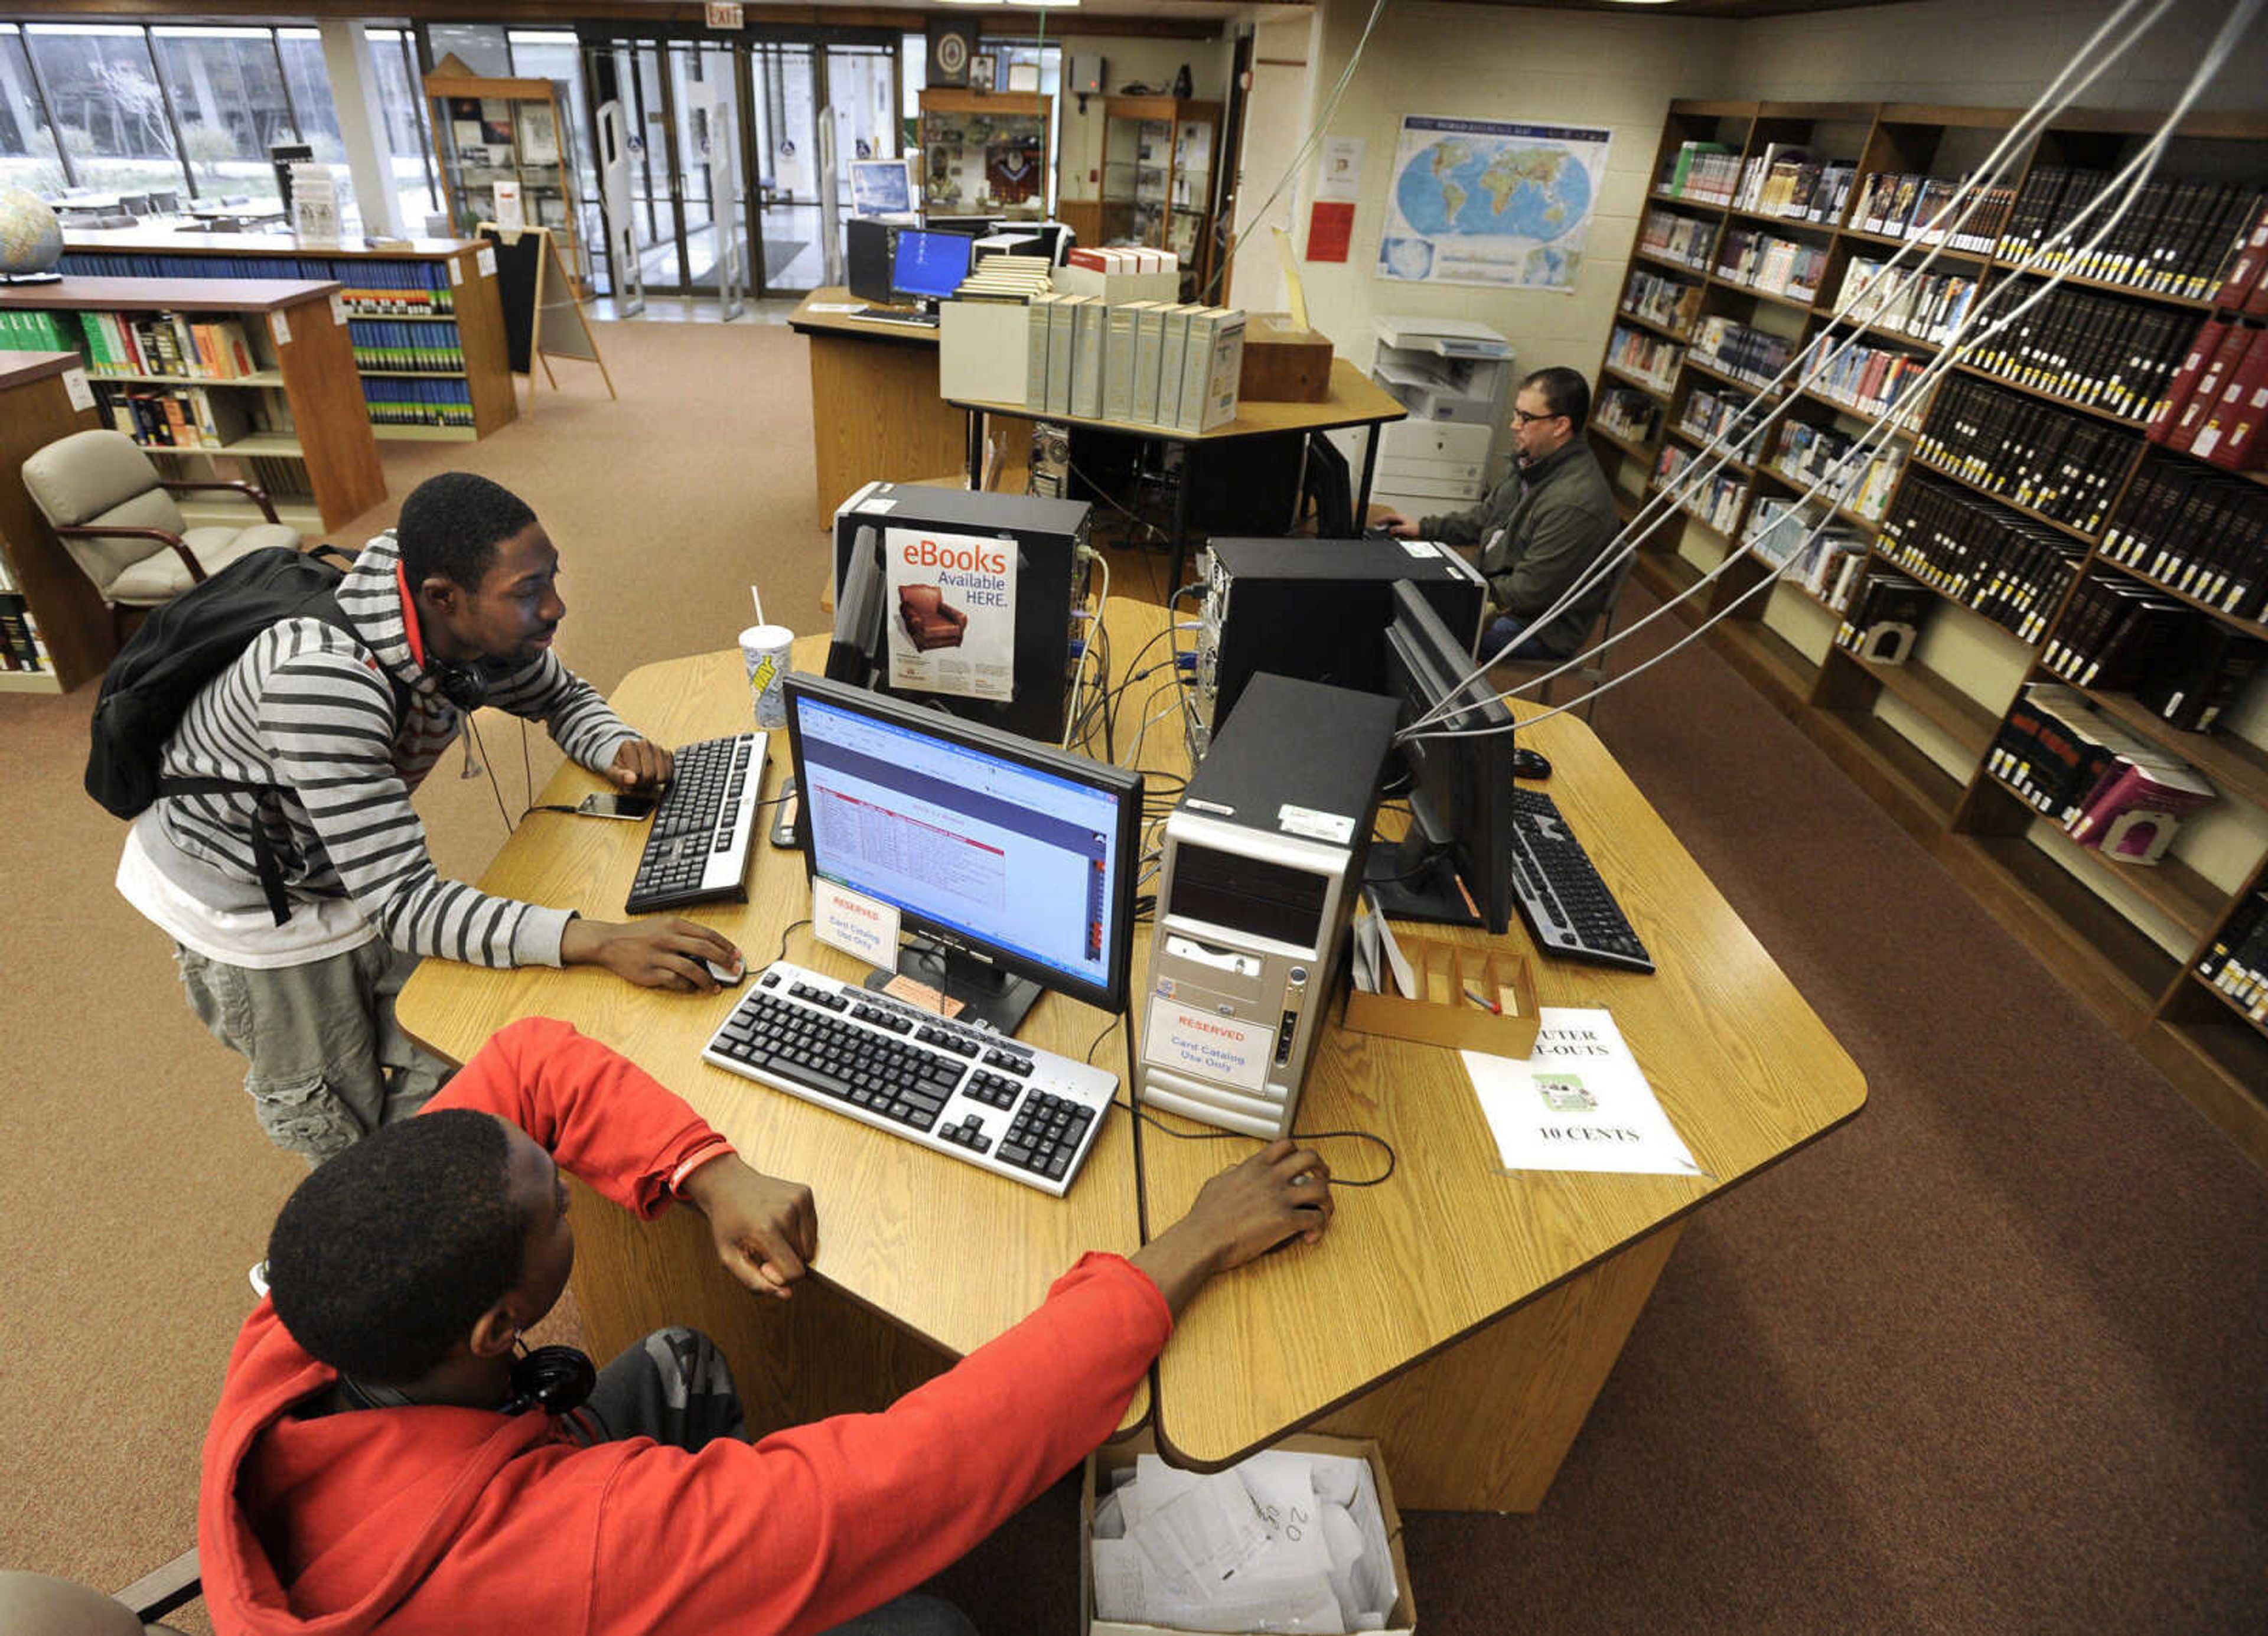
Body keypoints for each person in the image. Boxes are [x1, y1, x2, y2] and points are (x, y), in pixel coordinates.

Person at [200, 1015, 1335, 1635]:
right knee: (931, 1630)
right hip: (551, 1583)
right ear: (501, 1327)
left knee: (681, 1367)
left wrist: (707, 1170)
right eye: (558, 1204)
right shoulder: (586, 1550)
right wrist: (1185, 1250)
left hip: (452, 1501)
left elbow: (529, 1063)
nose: (561, 1181)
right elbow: (919, 1468)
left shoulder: (312, 1307)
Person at [114, 472, 743, 1162]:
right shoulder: (323, 680)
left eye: (551, 578)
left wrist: (614, 744)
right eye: (528, 593)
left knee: (455, 1035)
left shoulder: (450, 615)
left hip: (348, 863)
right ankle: (343, 1246)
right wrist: (599, 940)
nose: (554, 607)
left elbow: (560, 695)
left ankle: (428, 1173)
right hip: (251, 902)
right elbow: (407, 902)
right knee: (333, 1106)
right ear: (444, 597)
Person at [1374, 365, 1621, 664]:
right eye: (1516, 414)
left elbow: (1527, 594)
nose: (1514, 425)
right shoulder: (1532, 462)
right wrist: (1424, 528)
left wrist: (1456, 593)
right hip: (1494, 591)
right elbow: (1484, 518)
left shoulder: (1575, 504)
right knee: (1397, 602)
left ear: (1560, 426)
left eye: (1526, 418)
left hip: (1536, 626)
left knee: (1411, 627)